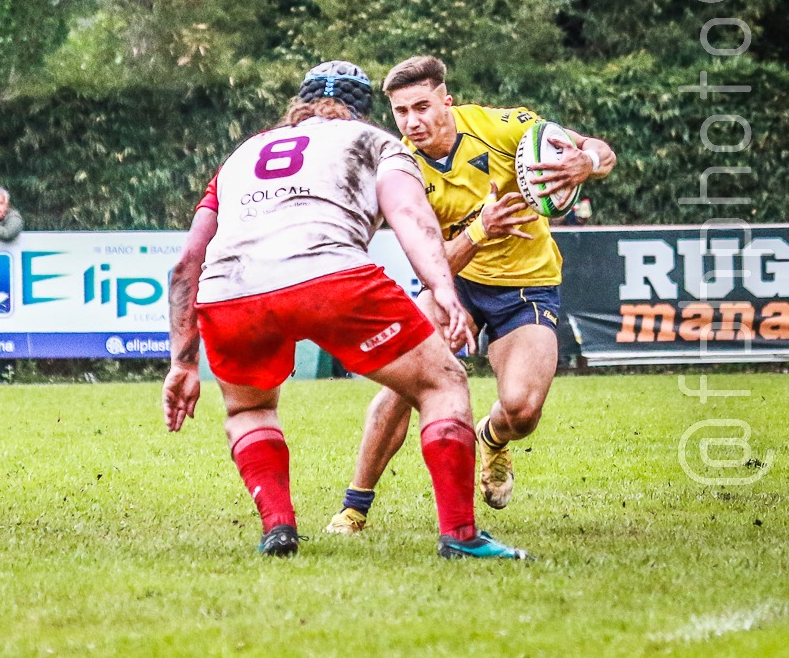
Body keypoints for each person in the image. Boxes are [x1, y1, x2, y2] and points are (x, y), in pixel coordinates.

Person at [163, 60, 527, 560]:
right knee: (442, 382)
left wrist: (182, 362)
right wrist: (444, 289)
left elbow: (187, 263)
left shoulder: (241, 155)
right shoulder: (375, 142)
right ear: (363, 109)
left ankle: (279, 527)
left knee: (249, 407)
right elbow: (409, 216)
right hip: (329, 277)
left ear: (299, 106)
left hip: (230, 291)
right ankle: (460, 536)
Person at [326, 55, 616, 535]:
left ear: (447, 100)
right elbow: (432, 263)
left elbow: (597, 151)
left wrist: (584, 162)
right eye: (401, 112)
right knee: (403, 385)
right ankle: (354, 508)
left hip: (528, 286)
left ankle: (492, 436)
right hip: (454, 285)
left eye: (423, 106)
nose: (413, 121)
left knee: (522, 410)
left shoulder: (504, 127)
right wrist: (481, 230)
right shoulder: (399, 166)